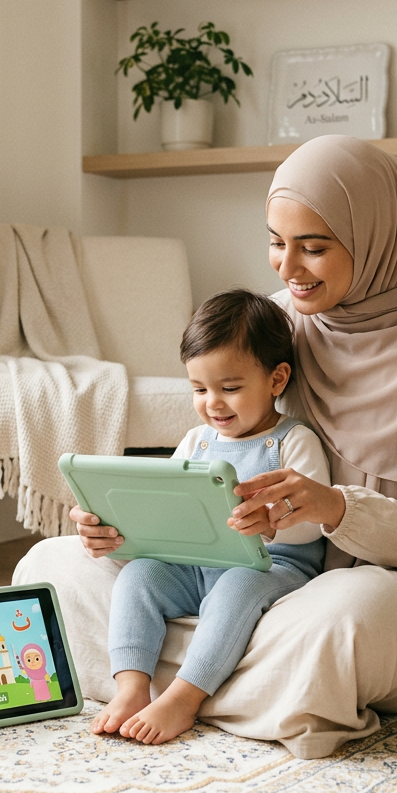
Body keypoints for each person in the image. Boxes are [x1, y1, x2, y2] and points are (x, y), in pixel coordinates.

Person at [13, 134, 397, 760]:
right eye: (277, 242)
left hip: (386, 584)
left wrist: (334, 508)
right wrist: (122, 528)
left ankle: (187, 679)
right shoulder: (276, 323)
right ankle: (212, 687)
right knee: (50, 567)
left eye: (313, 247)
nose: (287, 268)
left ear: (373, 239)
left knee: (341, 625)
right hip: (232, 574)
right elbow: (206, 452)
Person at [90, 289, 330, 745]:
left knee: (237, 587)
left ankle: (184, 696)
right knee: (140, 576)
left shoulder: (292, 441)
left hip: (271, 565)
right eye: (199, 389)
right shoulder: (197, 441)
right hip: (197, 564)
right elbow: (167, 505)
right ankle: (132, 686)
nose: (213, 404)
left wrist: (277, 520)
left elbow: (313, 525)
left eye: (230, 388)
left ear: (277, 379)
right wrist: (117, 524)